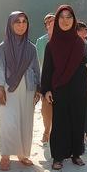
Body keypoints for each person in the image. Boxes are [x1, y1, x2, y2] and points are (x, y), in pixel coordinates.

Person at [40, 5, 87, 169]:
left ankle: (76, 154)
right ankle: (58, 157)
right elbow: (47, 69)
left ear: (74, 20)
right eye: (62, 17)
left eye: (69, 17)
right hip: (59, 88)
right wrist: (46, 90)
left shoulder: (79, 43)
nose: (65, 20)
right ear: (57, 20)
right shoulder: (51, 45)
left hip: (78, 88)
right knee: (59, 123)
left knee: (77, 120)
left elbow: (83, 67)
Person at [0, 11, 41, 170]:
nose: (21, 25)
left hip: (28, 87)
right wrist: (0, 88)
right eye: (17, 22)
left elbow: (36, 68)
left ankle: (22, 154)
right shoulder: (3, 47)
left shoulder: (31, 47)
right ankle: (5, 155)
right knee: (8, 121)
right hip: (9, 88)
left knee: (25, 120)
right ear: (10, 25)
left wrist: (38, 88)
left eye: (24, 22)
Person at [35, 13, 55, 143]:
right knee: (46, 110)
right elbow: (37, 64)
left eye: (52, 20)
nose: (50, 23)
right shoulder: (41, 41)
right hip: (46, 79)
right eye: (47, 22)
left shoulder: (64, 38)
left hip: (62, 80)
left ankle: (56, 132)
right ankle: (47, 131)